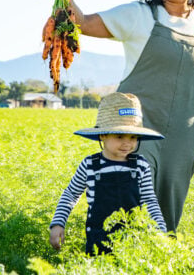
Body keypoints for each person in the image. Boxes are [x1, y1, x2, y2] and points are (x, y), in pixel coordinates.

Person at [47, 0, 194, 231]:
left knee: (167, 215)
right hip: (136, 130)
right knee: (128, 204)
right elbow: (83, 23)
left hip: (184, 136)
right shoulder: (138, 15)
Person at [49, 92, 166, 255]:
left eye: (133, 137)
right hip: (98, 240)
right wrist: (58, 224)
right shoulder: (90, 165)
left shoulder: (140, 165)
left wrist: (160, 231)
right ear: (103, 135)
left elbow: (149, 200)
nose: (127, 143)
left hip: (133, 240)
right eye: (119, 136)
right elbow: (70, 194)